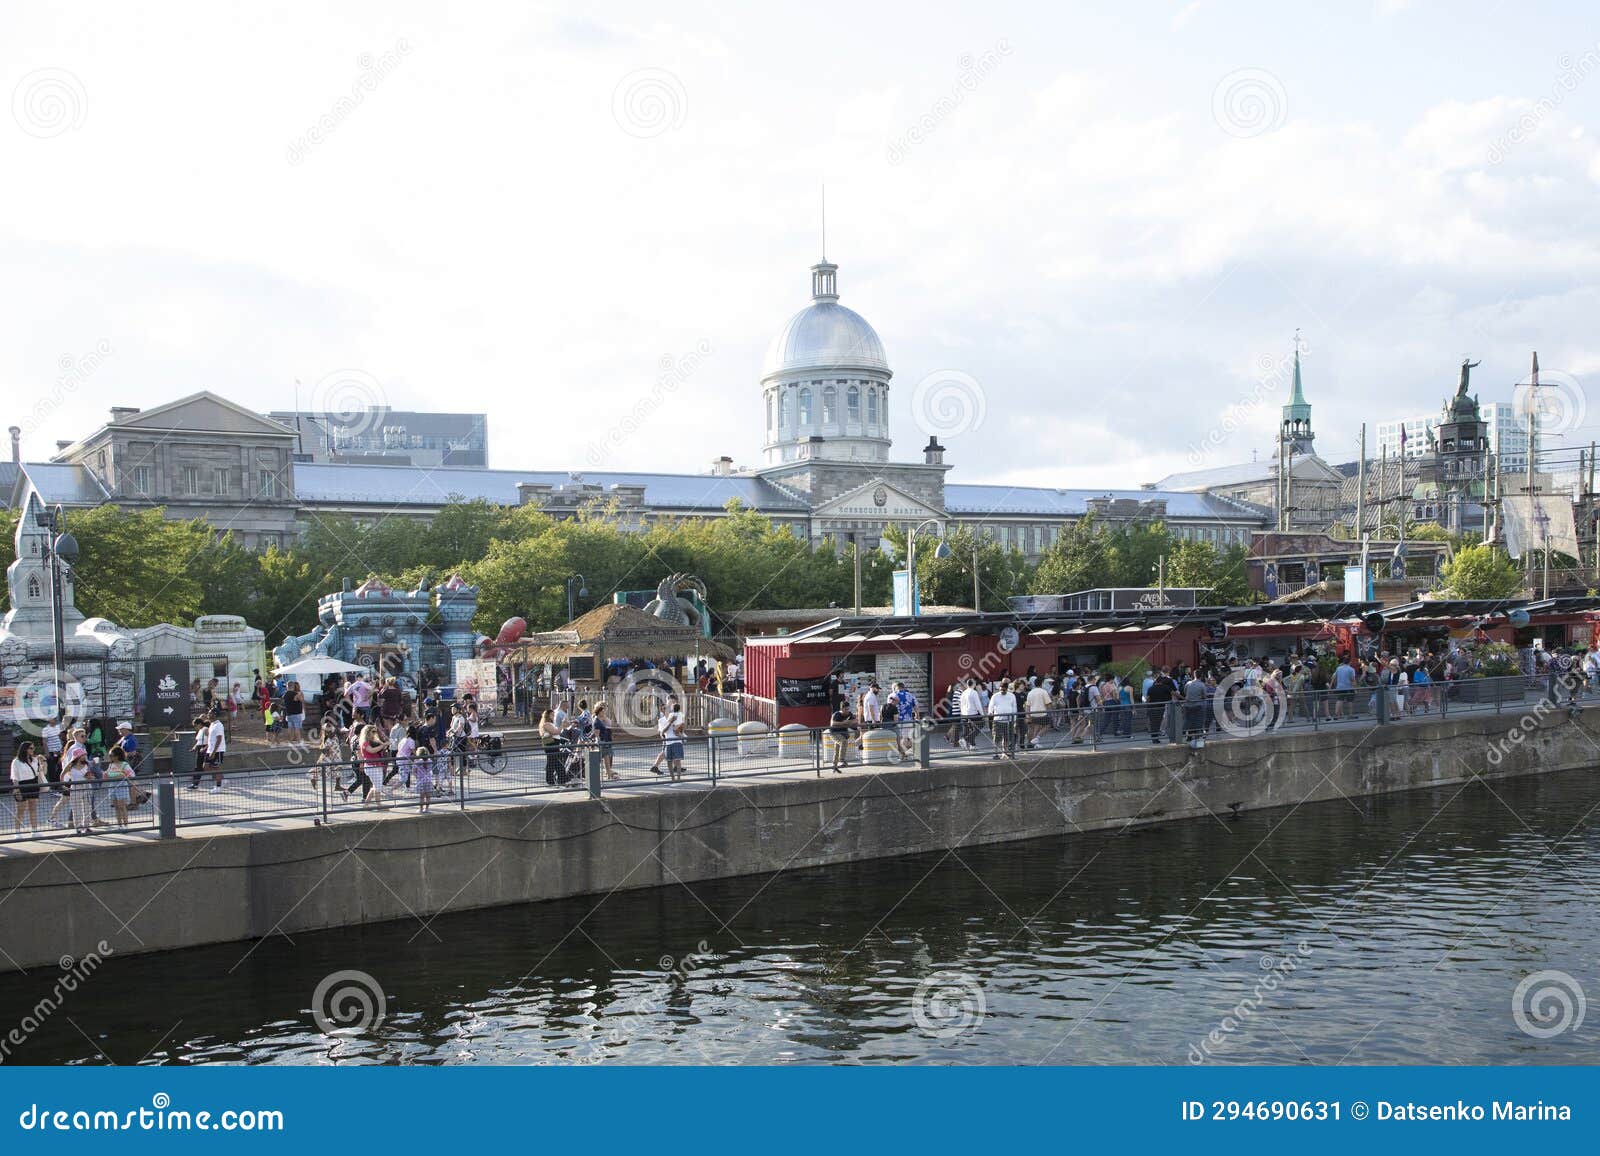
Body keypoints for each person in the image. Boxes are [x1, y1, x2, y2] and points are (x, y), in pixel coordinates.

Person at [9, 740, 42, 833]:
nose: (33, 749)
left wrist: (44, 762)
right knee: (20, 810)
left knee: (33, 808)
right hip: (22, 785)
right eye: (31, 748)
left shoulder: (35, 759)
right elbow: (14, 777)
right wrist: (17, 790)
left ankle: (34, 830)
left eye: (33, 748)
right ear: (25, 749)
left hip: (33, 784)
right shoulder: (16, 761)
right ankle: (17, 831)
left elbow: (40, 773)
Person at [102, 746, 136, 828]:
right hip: (112, 787)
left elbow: (132, 775)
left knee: (122, 806)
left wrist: (122, 775)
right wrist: (105, 774)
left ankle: (125, 825)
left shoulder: (124, 764)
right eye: (110, 756)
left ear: (117, 756)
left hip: (121, 787)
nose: (110, 757)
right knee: (116, 807)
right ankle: (119, 825)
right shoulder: (111, 765)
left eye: (111, 755)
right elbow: (106, 776)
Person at [987, 680, 1018, 759]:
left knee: (1007, 737)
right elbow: (991, 705)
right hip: (998, 720)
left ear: (1007, 689)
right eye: (1001, 690)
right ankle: (995, 753)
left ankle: (1005, 752)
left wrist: (1014, 718)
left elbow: (1014, 707)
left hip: (1009, 720)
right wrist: (990, 712)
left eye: (1004, 690)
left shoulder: (1011, 696)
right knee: (996, 737)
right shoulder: (995, 696)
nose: (1002, 691)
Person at [1146, 666, 1176, 744]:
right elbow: (1174, 692)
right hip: (1160, 707)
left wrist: (1147, 704)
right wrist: (1183, 698)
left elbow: (1148, 698)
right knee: (1158, 722)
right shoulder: (1165, 687)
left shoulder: (1151, 688)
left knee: (1153, 723)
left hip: (1151, 707)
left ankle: (1154, 738)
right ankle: (1156, 738)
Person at [660, 699, 687, 780]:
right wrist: (670, 722)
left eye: (668, 708)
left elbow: (682, 726)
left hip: (677, 742)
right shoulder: (662, 720)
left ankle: (678, 779)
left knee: (678, 761)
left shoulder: (678, 715)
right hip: (668, 743)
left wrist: (681, 729)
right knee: (669, 762)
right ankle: (673, 779)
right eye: (665, 709)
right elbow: (662, 732)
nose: (666, 710)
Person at [539, 710, 564, 786]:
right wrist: (562, 725)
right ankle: (551, 780)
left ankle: (561, 779)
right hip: (550, 744)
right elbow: (556, 732)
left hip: (553, 743)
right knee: (552, 763)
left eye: (554, 714)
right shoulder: (546, 724)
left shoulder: (551, 724)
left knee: (555, 763)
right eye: (552, 715)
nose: (554, 716)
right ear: (548, 716)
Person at [593, 703, 618, 781]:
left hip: (605, 741)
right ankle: (595, 775)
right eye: (603, 711)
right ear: (599, 712)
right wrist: (599, 742)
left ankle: (609, 775)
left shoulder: (600, 720)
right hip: (602, 742)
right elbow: (596, 733)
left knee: (606, 759)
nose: (604, 713)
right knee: (600, 759)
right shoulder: (597, 721)